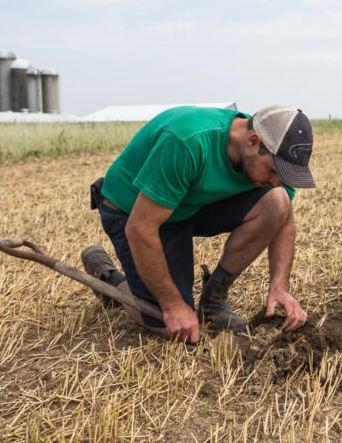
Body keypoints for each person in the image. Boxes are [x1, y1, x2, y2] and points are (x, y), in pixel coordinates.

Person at [83, 104, 315, 344]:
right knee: (168, 323)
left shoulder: (268, 160)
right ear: (253, 141)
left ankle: (213, 300)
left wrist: (279, 287)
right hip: (132, 210)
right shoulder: (187, 142)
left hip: (189, 205)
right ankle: (111, 281)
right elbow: (140, 229)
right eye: (274, 170)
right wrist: (172, 305)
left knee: (278, 201)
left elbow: (284, 219)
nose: (277, 181)